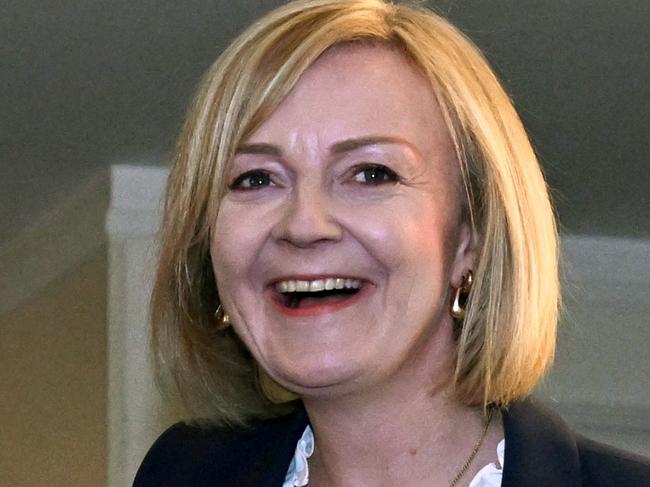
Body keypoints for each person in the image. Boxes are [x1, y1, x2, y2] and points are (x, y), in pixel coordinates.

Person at [134, 1, 650, 485]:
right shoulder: (183, 473)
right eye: (256, 179)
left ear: (470, 239)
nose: (304, 224)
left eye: (371, 173)